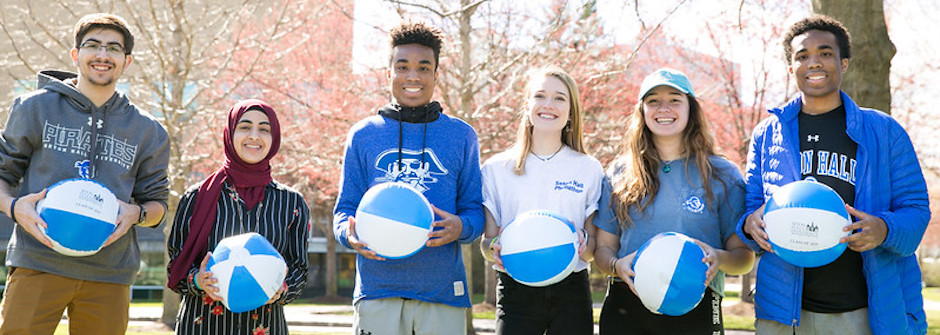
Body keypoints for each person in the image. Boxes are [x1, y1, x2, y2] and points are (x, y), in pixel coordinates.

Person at [737, 15, 930, 335]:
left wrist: (883, 228)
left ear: (844, 63)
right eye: (802, 55)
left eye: (825, 53)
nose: (814, 62)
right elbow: (751, 207)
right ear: (791, 68)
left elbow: (916, 210)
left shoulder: (884, 131)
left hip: (861, 312)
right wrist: (749, 224)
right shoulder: (766, 134)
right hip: (782, 315)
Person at [0, 13, 170, 334]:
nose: (103, 55)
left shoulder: (148, 131)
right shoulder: (33, 108)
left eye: (114, 48)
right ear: (76, 55)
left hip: (109, 273)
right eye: (93, 45)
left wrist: (136, 213)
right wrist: (13, 206)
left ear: (127, 61)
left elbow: (157, 207)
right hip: (38, 262)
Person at [332, 21, 484, 335]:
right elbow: (344, 210)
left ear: (436, 75)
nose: (412, 76)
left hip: (443, 294)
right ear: (388, 73)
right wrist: (349, 233)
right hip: (377, 292)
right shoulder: (363, 135)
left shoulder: (461, 136)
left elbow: (475, 212)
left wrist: (462, 227)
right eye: (402, 67)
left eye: (423, 67)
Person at [594, 68, 754, 334]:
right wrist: (615, 265)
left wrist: (718, 258)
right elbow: (602, 251)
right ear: (642, 111)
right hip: (627, 305)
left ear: (691, 108)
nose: (663, 108)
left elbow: (744, 258)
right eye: (653, 100)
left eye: (674, 99)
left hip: (696, 303)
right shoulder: (620, 173)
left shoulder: (722, 175)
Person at [166, 99, 310, 335]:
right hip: (203, 325)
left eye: (264, 129)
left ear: (274, 139)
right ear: (229, 134)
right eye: (245, 127)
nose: (255, 136)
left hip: (265, 325)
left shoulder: (291, 202)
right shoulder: (196, 197)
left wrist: (281, 289)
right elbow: (176, 269)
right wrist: (197, 280)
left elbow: (299, 269)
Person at [479, 66, 601, 335]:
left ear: (571, 112)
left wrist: (583, 244)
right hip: (515, 290)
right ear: (527, 106)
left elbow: (593, 249)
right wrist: (494, 249)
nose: (549, 105)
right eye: (540, 96)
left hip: (571, 290)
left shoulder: (589, 169)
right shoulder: (495, 168)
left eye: (559, 98)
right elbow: (487, 244)